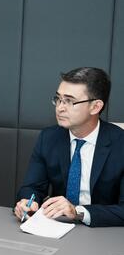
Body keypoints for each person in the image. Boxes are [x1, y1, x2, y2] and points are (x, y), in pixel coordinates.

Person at [15, 67, 124, 227]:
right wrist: (27, 202)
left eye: (70, 101)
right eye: (58, 99)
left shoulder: (120, 144)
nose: (60, 107)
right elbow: (32, 187)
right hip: (58, 227)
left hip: (104, 230)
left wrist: (78, 212)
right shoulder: (49, 137)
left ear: (95, 107)